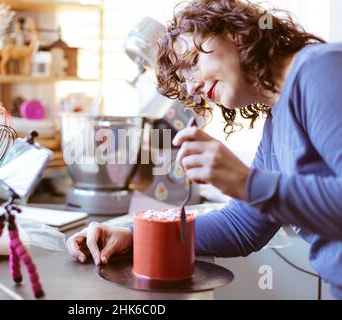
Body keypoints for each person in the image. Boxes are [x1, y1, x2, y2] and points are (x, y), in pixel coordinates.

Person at [66, 0, 342, 299]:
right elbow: (242, 225)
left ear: (236, 32)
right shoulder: (277, 123)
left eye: (194, 62)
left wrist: (244, 182)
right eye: (184, 81)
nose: (192, 88)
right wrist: (136, 236)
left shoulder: (320, 70)